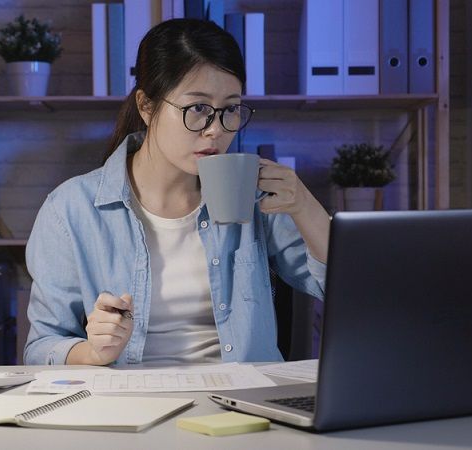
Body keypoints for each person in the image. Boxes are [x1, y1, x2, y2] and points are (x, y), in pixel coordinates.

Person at [24, 18, 330, 366]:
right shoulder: (71, 209)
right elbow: (40, 348)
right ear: (146, 106)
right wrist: (93, 352)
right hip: (131, 404)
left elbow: (345, 291)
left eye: (230, 109)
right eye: (197, 108)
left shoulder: (254, 195)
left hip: (243, 402)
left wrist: (306, 206)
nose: (216, 130)